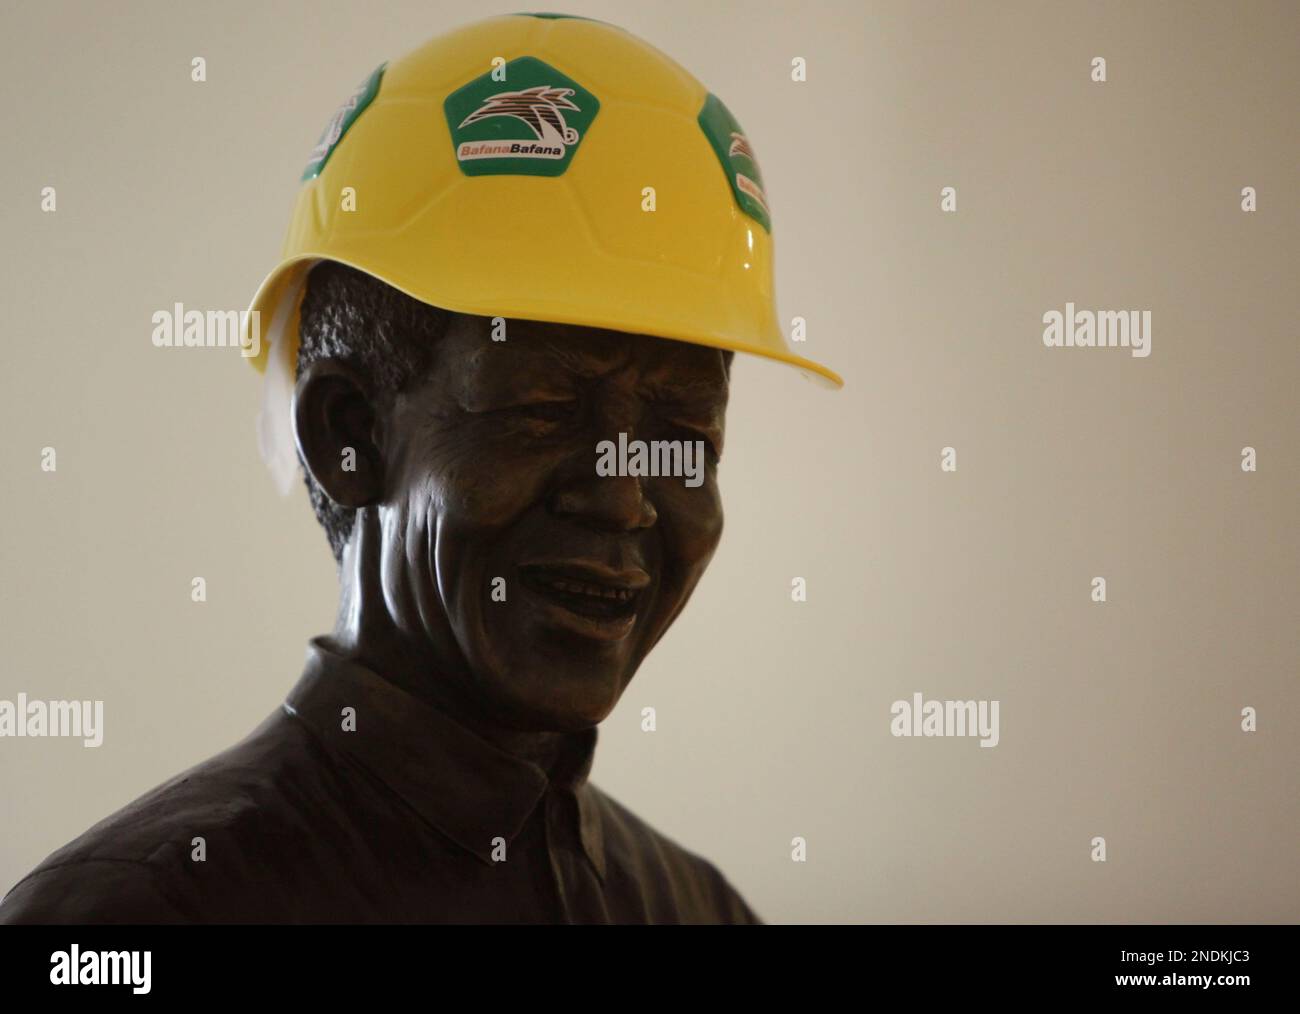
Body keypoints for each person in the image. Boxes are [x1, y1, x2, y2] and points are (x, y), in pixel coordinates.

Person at [0, 12, 840, 924]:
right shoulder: (130, 920)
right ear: (348, 433)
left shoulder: (696, 910)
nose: (623, 495)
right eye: (543, 411)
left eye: (683, 435)